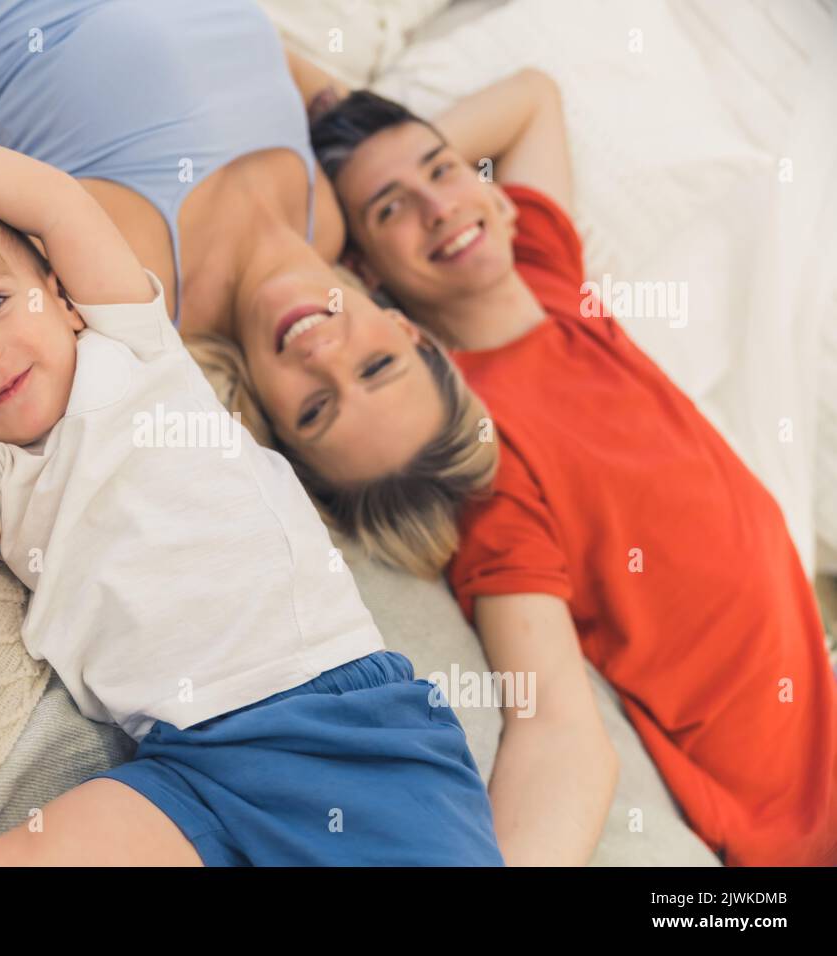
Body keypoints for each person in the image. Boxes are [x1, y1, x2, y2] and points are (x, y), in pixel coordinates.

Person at [0, 116, 504, 866]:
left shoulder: (130, 343)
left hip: (341, 727)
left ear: (59, 294)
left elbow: (56, 202)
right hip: (187, 772)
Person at [0, 0, 500, 611]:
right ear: (407, 329)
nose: (323, 354)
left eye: (317, 410)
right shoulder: (332, 216)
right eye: (376, 365)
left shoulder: (122, 285)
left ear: (273, 428)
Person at [301, 70, 837, 866]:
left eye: (445, 171)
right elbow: (551, 722)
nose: (440, 207)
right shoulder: (476, 445)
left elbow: (532, 96)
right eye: (391, 211)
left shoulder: (546, 271)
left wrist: (334, 108)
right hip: (792, 829)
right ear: (367, 274)